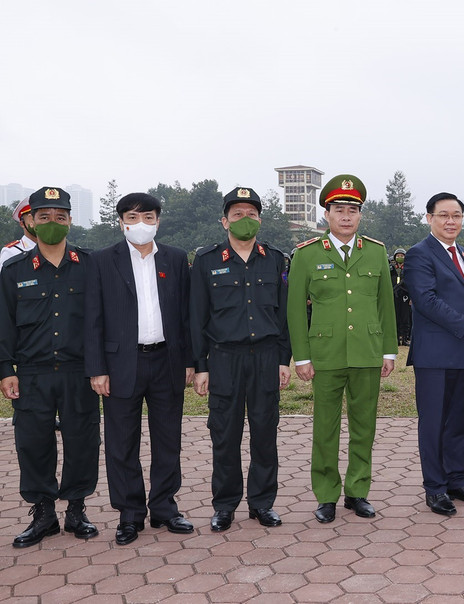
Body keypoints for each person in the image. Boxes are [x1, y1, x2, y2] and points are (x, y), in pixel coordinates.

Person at [84, 192, 194, 545]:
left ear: (158, 220)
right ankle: (130, 515)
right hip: (120, 364)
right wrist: (97, 368)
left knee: (167, 441)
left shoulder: (176, 259)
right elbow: (93, 319)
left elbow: (186, 315)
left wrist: (191, 361)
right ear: (121, 222)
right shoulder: (102, 261)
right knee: (121, 443)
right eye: (132, 217)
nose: (140, 224)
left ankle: (164, 507)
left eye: (147, 217)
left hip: (167, 361)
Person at [287, 175, 398, 524]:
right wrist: (301, 357)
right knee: (326, 428)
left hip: (367, 352)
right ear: (327, 213)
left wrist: (389, 351)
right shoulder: (306, 255)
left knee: (364, 426)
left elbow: (386, 306)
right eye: (339, 209)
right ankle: (326, 495)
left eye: (353, 210)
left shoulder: (377, 252)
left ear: (360, 215)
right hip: (326, 354)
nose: (346, 216)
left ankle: (358, 491)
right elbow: (294, 310)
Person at [0, 187, 99, 547]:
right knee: (33, 443)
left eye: (60, 217)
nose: (52, 223)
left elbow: (100, 321)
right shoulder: (13, 271)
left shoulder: (90, 266)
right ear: (31, 221)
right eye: (44, 217)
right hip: (31, 373)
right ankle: (43, 514)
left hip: (79, 371)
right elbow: (4, 324)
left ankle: (76, 510)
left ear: (70, 220)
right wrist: (5, 370)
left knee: (82, 440)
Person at [190, 186, 291, 532]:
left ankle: (262, 503)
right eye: (237, 215)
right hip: (224, 359)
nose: (244, 220)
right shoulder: (206, 262)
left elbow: (284, 316)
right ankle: (225, 505)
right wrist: (200, 365)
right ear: (224, 221)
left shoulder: (275, 259)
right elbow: (197, 318)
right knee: (225, 435)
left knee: (265, 434)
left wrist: (283, 359)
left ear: (259, 220)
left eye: (251, 214)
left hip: (265, 357)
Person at [404, 192, 464, 516]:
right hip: (434, 354)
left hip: (463, 351)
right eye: (443, 215)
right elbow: (426, 300)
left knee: (460, 422)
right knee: (433, 424)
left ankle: (457, 480)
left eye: (456, 215)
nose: (450, 221)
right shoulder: (419, 255)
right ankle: (435, 488)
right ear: (429, 218)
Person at [0, 197, 37, 271]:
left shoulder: (55, 249)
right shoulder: (11, 252)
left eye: (43, 217)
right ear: (22, 224)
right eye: (32, 218)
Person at [392, 248, 412, 346]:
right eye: (398, 256)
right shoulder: (391, 269)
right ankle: (396, 339)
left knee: (405, 318)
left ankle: (405, 339)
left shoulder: (408, 269)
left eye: (402, 256)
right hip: (394, 296)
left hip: (405, 295)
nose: (400, 258)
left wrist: (411, 297)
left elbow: (413, 284)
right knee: (395, 317)